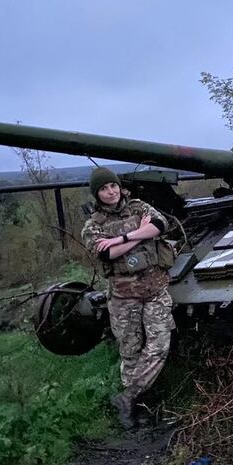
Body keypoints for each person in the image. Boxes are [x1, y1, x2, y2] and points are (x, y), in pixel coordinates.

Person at [81, 167, 175, 428]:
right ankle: (136, 408)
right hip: (123, 297)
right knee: (130, 352)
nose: (110, 192)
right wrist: (138, 235)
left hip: (155, 290)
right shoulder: (93, 225)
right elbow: (105, 255)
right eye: (103, 188)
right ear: (97, 194)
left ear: (119, 187)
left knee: (158, 346)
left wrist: (122, 239)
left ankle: (128, 397)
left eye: (113, 186)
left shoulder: (139, 207)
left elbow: (159, 225)